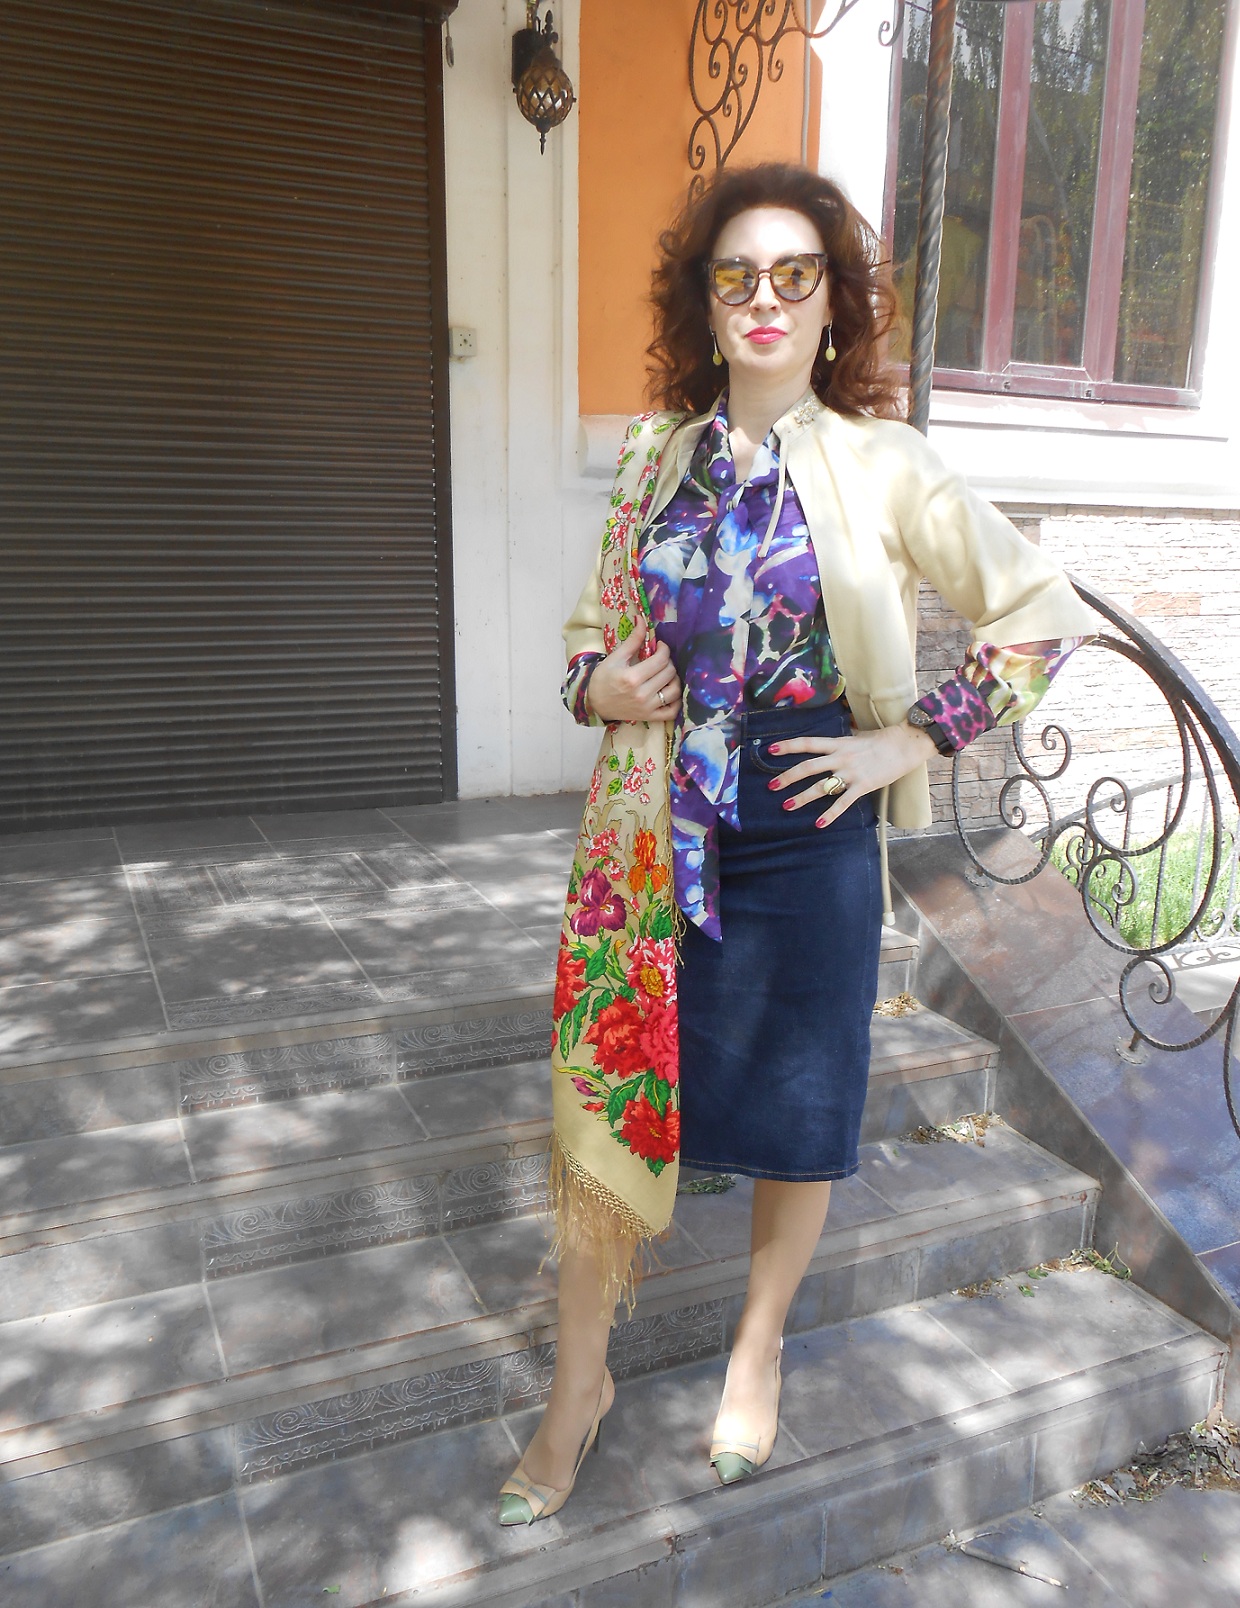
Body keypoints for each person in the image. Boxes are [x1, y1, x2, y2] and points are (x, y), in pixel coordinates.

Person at [497, 162, 1094, 1526]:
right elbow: (590, 639)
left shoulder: (887, 462)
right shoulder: (654, 460)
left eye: (794, 275)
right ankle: (577, 1386)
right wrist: (598, 688)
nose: (764, 298)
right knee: (605, 1092)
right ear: (705, 307)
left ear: (832, 307)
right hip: (653, 824)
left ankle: (755, 1351)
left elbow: (1041, 616)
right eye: (736, 276)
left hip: (809, 818)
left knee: (800, 1102)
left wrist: (909, 741)